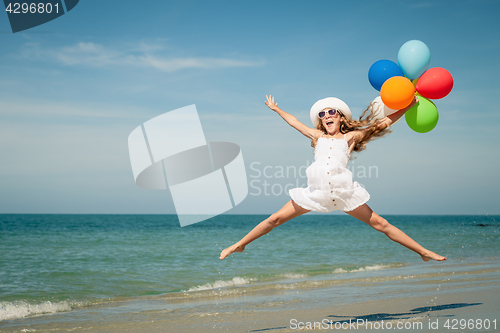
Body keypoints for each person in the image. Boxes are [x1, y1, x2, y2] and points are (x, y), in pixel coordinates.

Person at [220, 95, 446, 262]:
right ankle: (239, 245)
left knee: (381, 224)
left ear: (340, 118)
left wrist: (407, 107)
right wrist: (277, 110)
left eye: (331, 112)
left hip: (342, 192)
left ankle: (423, 252)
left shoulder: (352, 137)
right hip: (315, 193)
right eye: (322, 114)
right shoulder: (317, 136)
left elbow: (382, 123)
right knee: (273, 220)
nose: (326, 116)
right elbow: (294, 122)